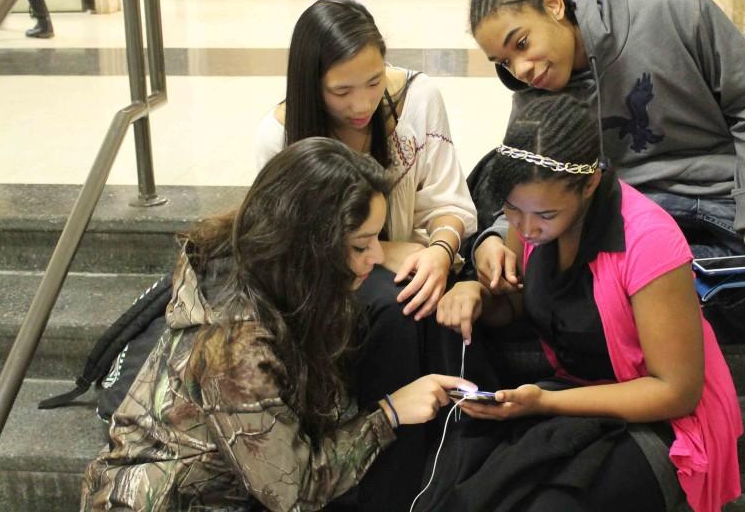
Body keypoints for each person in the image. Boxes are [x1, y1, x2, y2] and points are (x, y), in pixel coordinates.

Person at [467, 0, 745, 343]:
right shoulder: (534, 91)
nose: (520, 68)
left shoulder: (676, 9)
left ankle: (654, 311)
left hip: (735, 189)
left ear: (554, 6)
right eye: (503, 61)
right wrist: (498, 237)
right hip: (632, 214)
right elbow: (528, 176)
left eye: (521, 43)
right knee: (557, 284)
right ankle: (666, 301)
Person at [80, 137, 477, 512]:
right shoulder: (236, 347)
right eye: (361, 244)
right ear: (309, 245)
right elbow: (293, 491)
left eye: (377, 239)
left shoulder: (266, 279)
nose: (376, 255)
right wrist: (389, 414)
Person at [432, 95, 742, 512]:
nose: (525, 228)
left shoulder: (648, 241)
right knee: (473, 486)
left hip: (659, 420)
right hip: (573, 397)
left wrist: (547, 403)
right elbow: (519, 305)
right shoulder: (530, 220)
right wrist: (475, 293)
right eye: (511, 210)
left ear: (591, 183)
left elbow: (677, 392)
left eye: (544, 214)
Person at [255, 0, 476, 317]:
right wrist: (382, 251)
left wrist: (440, 253)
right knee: (392, 303)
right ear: (311, 84)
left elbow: (448, 203)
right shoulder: (279, 136)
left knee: (439, 308)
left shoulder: (418, 98)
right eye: (341, 92)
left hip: (415, 263)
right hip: (325, 289)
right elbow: (284, 245)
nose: (362, 105)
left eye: (375, 82)